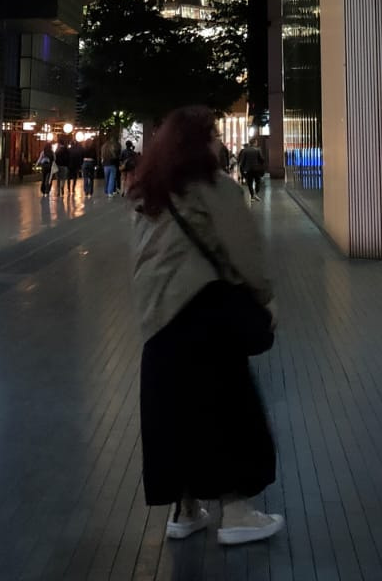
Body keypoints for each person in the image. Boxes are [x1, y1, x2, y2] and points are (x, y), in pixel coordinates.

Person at [130, 106, 283, 549]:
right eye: (213, 134)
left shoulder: (147, 193)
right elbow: (246, 251)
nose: (218, 141)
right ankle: (236, 513)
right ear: (200, 142)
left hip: (157, 320)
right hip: (204, 313)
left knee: (172, 414)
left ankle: (185, 509)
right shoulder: (214, 188)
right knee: (228, 410)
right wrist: (264, 296)